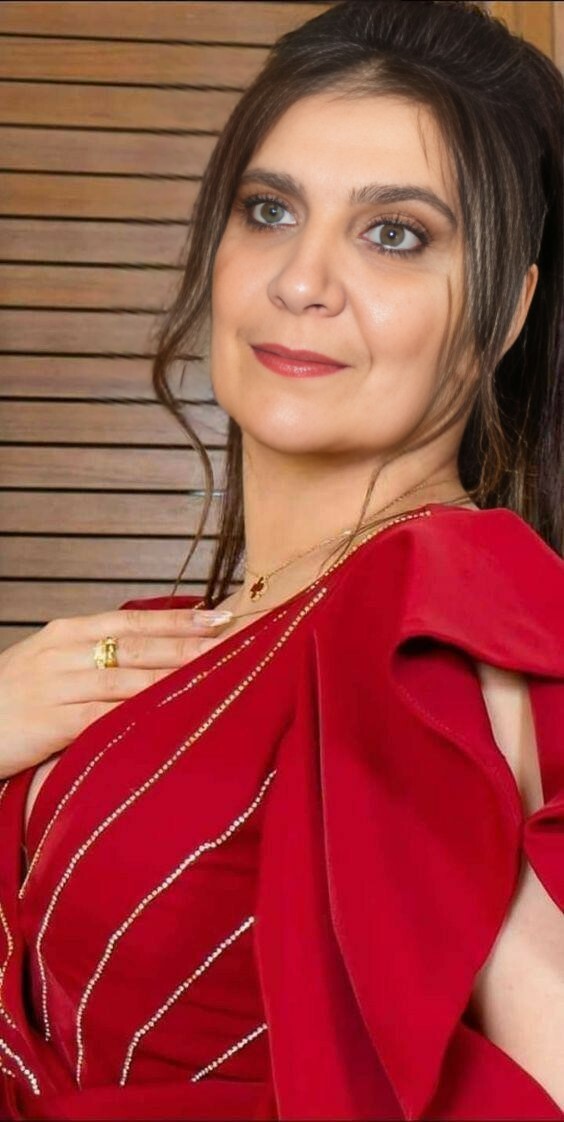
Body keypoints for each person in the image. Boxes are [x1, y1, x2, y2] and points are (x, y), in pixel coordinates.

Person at [0, 0, 563, 1118]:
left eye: (394, 233)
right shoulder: (147, 641)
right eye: (269, 211)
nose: (302, 280)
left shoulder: (444, 611)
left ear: (505, 310)